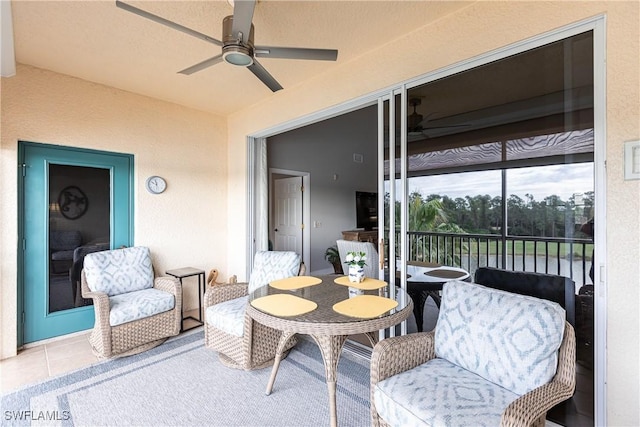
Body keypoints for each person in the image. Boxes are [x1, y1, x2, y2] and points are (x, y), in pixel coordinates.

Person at [580, 217, 594, 283]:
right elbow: (583, 228)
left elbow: (583, 228)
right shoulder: (595, 222)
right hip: (597, 251)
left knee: (593, 273)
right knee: (593, 273)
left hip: (600, 251)